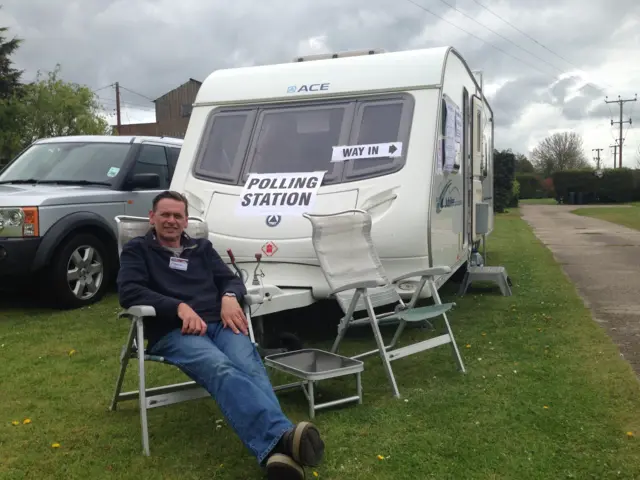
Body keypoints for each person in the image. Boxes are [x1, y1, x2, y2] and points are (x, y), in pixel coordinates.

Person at [117, 190, 324, 479]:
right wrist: (178, 307)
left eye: (178, 215)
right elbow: (129, 292)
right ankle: (283, 439)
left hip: (220, 323)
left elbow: (230, 279)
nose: (171, 221)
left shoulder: (201, 248)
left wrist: (229, 296)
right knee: (220, 368)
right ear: (152, 218)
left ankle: (280, 452)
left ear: (186, 220)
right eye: (165, 214)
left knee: (249, 364)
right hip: (175, 330)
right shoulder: (137, 250)